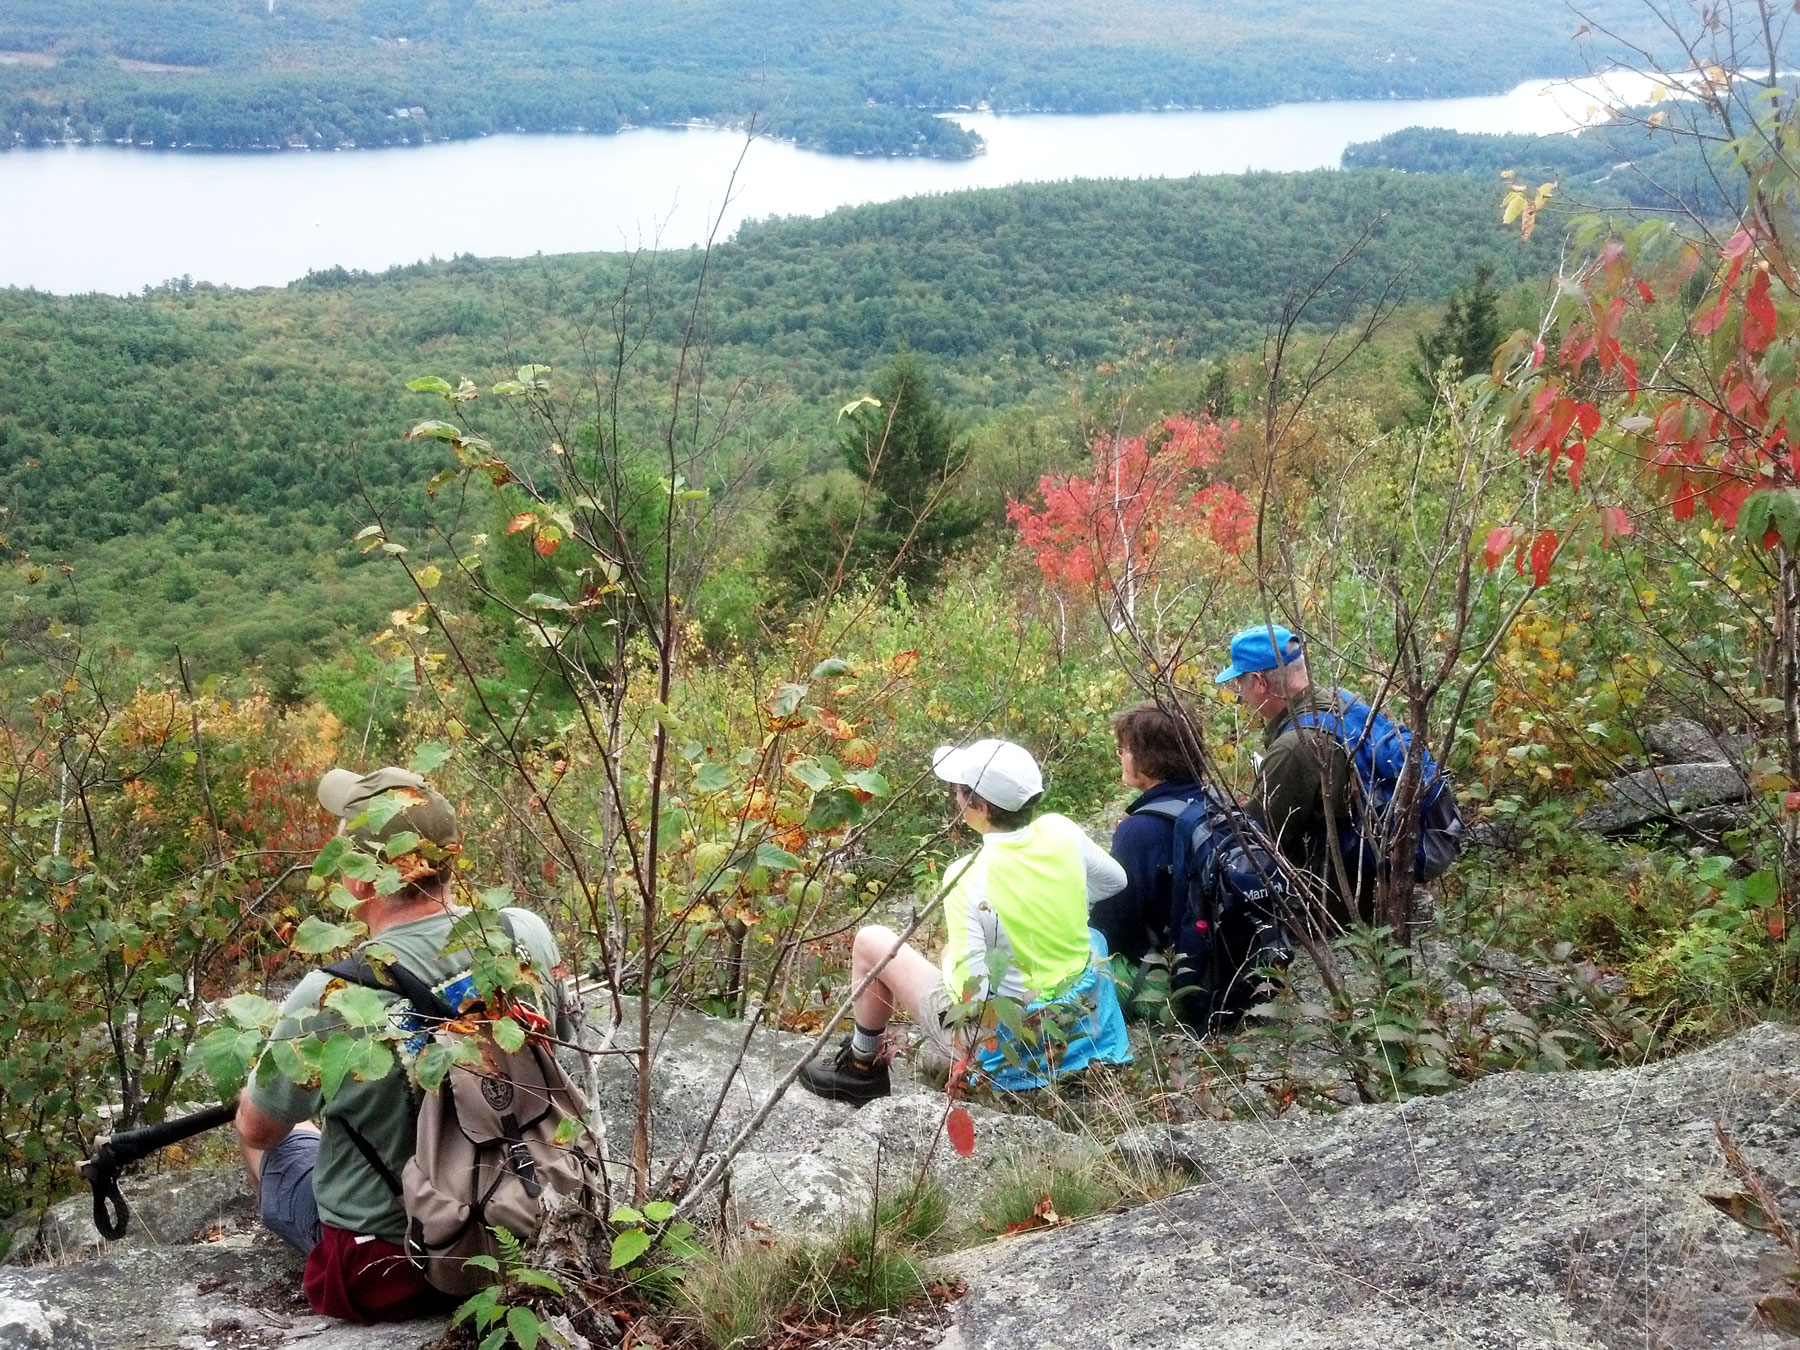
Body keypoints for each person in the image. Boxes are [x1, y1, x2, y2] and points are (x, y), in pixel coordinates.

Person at [236, 766, 572, 1324]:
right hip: (530, 1225)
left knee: (275, 1136)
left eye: (343, 839)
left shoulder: (332, 994)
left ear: (363, 879)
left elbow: (257, 1128)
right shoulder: (520, 934)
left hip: (391, 1270)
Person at [796, 738, 1130, 1106]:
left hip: (1007, 1040)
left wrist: (947, 956)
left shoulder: (967, 876)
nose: (955, 797)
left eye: (958, 791)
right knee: (1091, 937)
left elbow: (973, 997)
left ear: (980, 808)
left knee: (871, 941)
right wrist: (1060, 903)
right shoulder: (1062, 831)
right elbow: (1115, 881)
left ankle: (861, 1069)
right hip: (1074, 1015)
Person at [1214, 624, 1354, 903]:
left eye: (1241, 683)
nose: (1241, 695)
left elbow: (1258, 842)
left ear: (1259, 681)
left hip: (1331, 907)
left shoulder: (1293, 749)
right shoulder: (1345, 702)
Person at [1092, 700, 1205, 968]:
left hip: (1174, 979)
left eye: (1124, 749)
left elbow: (1112, 926)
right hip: (1233, 967)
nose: (1120, 755)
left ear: (1149, 759)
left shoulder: (1139, 831)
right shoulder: (1221, 805)